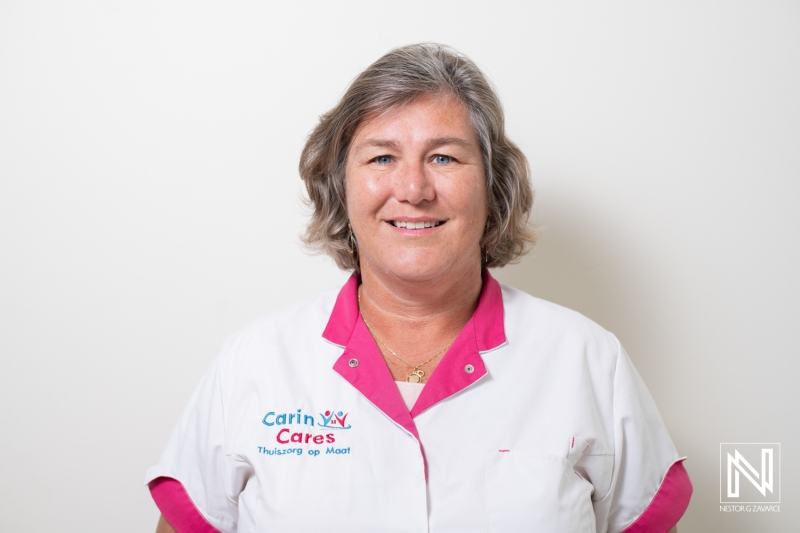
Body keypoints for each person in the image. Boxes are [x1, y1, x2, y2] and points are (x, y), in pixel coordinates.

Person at [146, 43, 692, 533]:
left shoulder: (588, 360)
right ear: (340, 186)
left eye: (444, 157)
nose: (413, 188)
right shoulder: (254, 362)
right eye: (382, 157)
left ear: (493, 185)